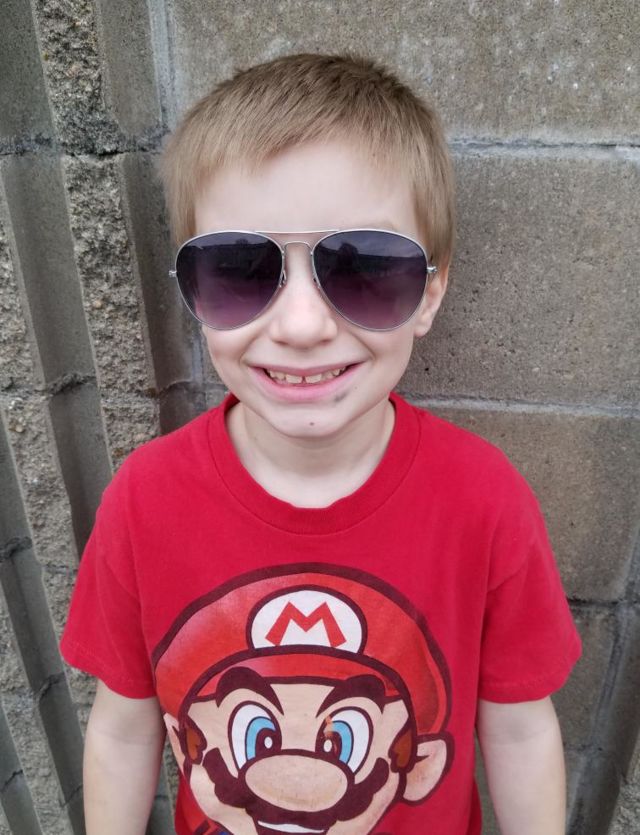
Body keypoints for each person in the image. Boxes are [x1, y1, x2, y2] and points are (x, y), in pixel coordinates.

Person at [61, 53, 581, 835]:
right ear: (191, 290)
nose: (302, 325)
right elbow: (124, 729)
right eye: (239, 268)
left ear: (430, 292)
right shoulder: (144, 500)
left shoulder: (484, 500)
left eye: (364, 267)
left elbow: (518, 728)